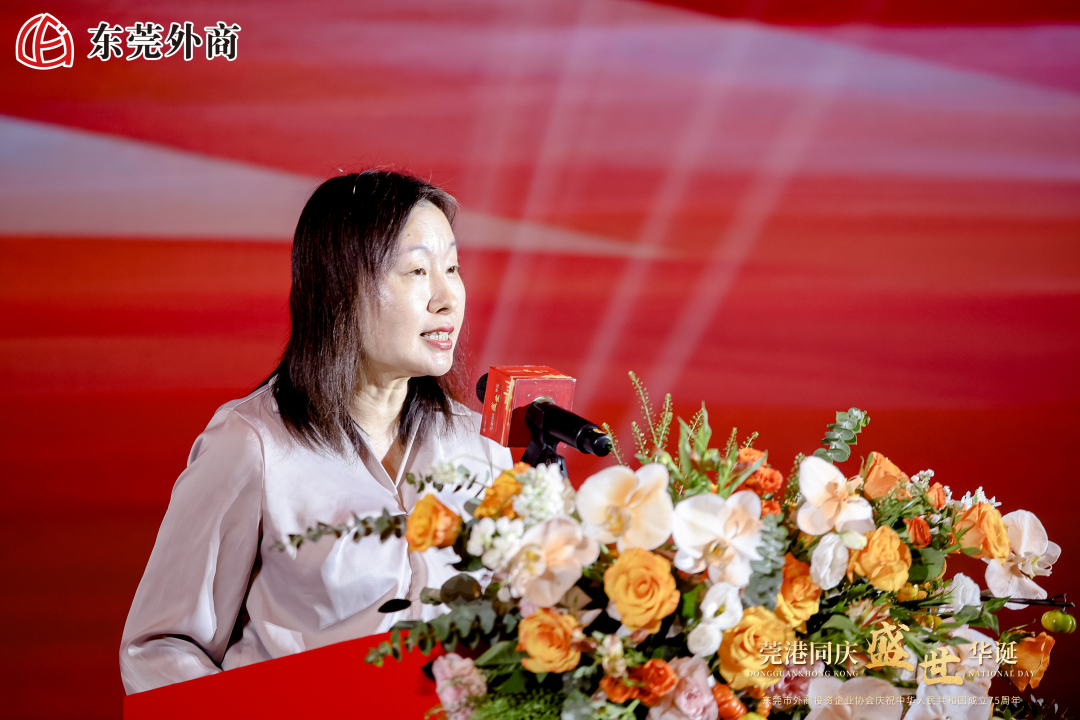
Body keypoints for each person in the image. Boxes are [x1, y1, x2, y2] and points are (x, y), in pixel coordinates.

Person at [120, 170, 513, 694]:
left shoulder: (482, 445)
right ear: (340, 288)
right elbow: (159, 650)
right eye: (418, 271)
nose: (447, 298)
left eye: (453, 268)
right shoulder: (253, 444)